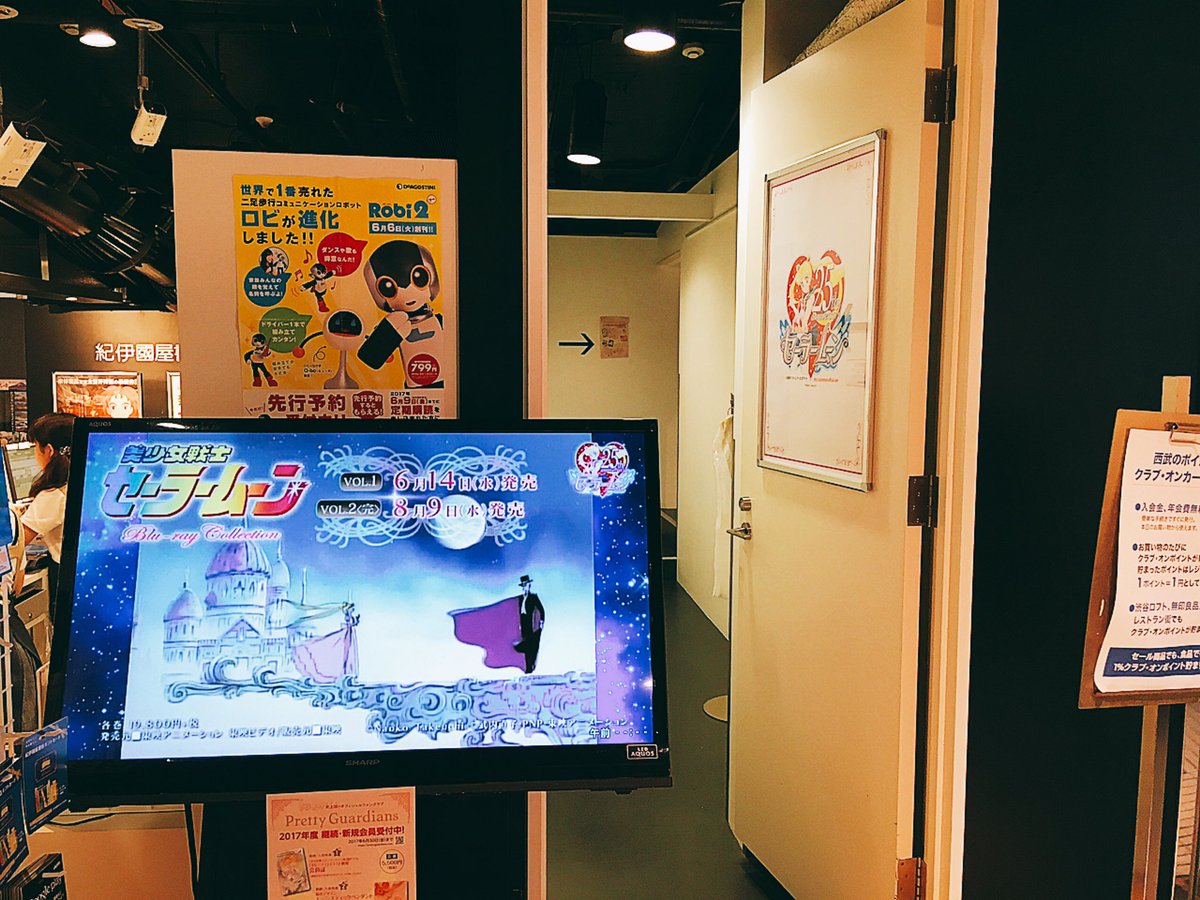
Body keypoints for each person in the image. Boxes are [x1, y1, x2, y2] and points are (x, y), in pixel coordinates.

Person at [18, 413, 74, 620]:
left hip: (66, 579)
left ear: (49, 450)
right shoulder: (82, 480)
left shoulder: (55, 494)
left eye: (35, 447)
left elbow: (17, 541)